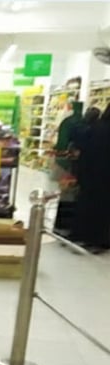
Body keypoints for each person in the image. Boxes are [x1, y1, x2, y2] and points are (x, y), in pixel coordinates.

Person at [72, 104, 110, 253]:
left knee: (88, 205)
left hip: (91, 174)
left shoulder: (96, 127)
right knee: (103, 210)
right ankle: (99, 240)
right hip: (104, 177)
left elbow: (83, 148)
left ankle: (84, 235)